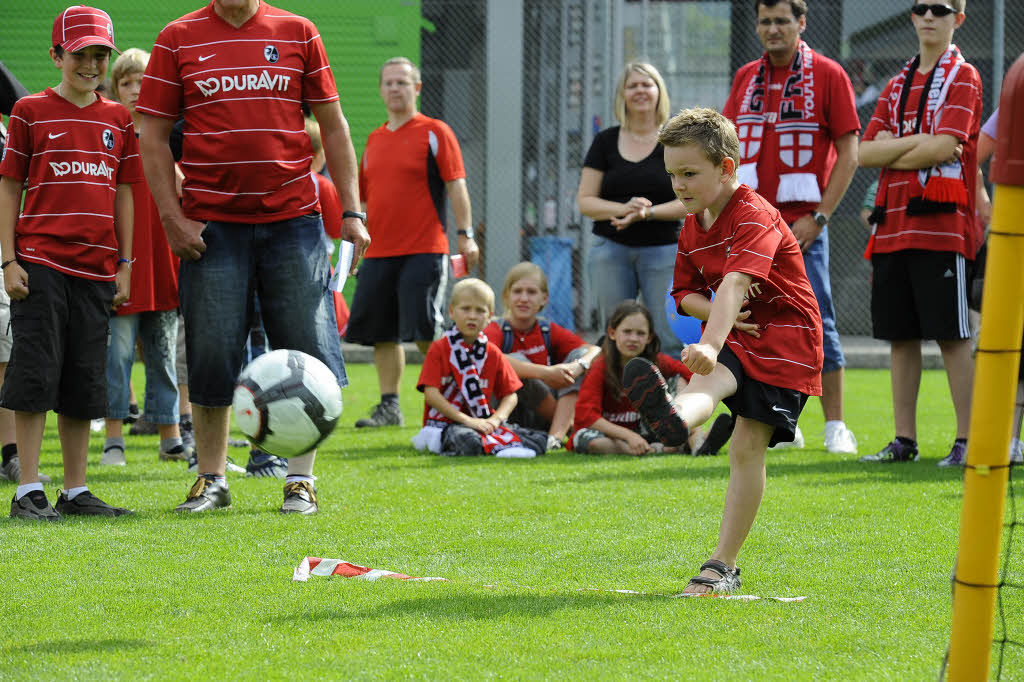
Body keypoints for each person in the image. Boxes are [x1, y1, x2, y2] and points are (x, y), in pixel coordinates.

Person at [137, 0, 370, 514]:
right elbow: (150, 137)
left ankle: (300, 482)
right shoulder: (177, 37)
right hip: (212, 227)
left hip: (294, 221)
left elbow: (334, 127)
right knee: (212, 351)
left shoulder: (299, 30)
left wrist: (352, 211)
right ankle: (212, 480)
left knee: (305, 350)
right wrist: (172, 218)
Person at [624, 108, 823, 593]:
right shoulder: (696, 220)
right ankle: (673, 419)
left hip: (785, 341)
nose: (679, 185)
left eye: (689, 174)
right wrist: (717, 326)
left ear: (726, 168)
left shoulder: (755, 215)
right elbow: (685, 293)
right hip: (738, 331)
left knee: (746, 447)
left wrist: (711, 341)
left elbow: (734, 285)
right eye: (672, 175)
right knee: (706, 386)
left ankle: (722, 566)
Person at [0, 5, 141, 520]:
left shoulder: (118, 118)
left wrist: (125, 264)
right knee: (36, 375)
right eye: (81, 54)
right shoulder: (29, 112)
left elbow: (124, 193)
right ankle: (27, 490)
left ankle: (76, 491)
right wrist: (8, 261)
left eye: (101, 54)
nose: (92, 64)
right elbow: (9, 185)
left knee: (85, 381)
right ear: (57, 54)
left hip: (97, 270)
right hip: (38, 264)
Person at [721, 0, 859, 455]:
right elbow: (726, 147)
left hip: (801, 228)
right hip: (751, 225)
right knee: (754, 322)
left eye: (783, 20)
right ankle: (780, 420)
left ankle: (835, 424)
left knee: (818, 322)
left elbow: (849, 153)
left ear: (801, 23)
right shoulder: (746, 78)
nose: (773, 29)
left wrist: (819, 217)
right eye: (765, 21)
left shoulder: (829, 73)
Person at [858, 0, 981, 467]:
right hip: (892, 226)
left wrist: (897, 147)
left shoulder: (963, 76)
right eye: (921, 7)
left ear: (958, 19)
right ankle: (903, 441)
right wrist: (918, 147)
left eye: (941, 8)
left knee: (952, 337)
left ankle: (968, 440)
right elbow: (865, 153)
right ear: (911, 16)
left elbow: (947, 146)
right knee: (900, 337)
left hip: (941, 227)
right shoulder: (894, 84)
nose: (929, 15)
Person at [346, 57, 478, 428]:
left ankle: (457, 397)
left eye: (402, 83)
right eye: (388, 83)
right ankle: (390, 407)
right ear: (380, 90)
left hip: (425, 249)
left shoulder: (435, 131)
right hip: (380, 252)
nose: (394, 89)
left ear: (417, 88)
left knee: (425, 330)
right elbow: (365, 199)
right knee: (382, 334)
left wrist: (465, 236)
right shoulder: (374, 139)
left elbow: (456, 185)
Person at [99, 47, 188, 467]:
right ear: (116, 89)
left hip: (163, 265)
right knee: (116, 355)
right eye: (127, 83)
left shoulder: (170, 135)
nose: (136, 91)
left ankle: (170, 434)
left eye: (143, 82)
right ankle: (113, 438)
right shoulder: (111, 135)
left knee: (163, 355)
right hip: (123, 264)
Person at [577, 62, 688, 358]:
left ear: (658, 91)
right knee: (616, 334)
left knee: (669, 335)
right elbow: (585, 201)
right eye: (632, 85)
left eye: (646, 84)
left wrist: (648, 213)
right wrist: (624, 208)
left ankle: (671, 401)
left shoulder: (675, 140)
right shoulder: (605, 141)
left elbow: (690, 201)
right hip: (610, 250)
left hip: (664, 250)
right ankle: (618, 401)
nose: (640, 91)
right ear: (622, 95)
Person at [569, 301, 732, 456]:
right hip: (612, 434)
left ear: (649, 338)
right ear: (612, 333)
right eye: (627, 332)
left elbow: (693, 375)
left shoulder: (657, 361)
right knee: (589, 441)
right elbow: (587, 416)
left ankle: (697, 443)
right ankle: (671, 447)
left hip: (649, 430)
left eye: (640, 333)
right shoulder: (600, 366)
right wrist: (628, 436)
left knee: (678, 378)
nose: (633, 338)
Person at [413, 278, 547, 458]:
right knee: (467, 441)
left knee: (540, 440)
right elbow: (431, 395)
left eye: (480, 310)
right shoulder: (440, 348)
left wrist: (495, 420)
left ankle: (492, 444)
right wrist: (468, 421)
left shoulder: (492, 352)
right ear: (452, 311)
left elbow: (511, 395)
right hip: (446, 424)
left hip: (484, 422)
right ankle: (492, 446)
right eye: (466, 309)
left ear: (490, 316)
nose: (472, 316)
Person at [482, 262, 600, 449]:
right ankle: (572, 428)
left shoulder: (547, 329)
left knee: (579, 358)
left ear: (544, 298)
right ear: (506, 296)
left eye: (531, 292)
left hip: (545, 418)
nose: (524, 298)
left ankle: (555, 438)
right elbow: (487, 355)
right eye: (517, 291)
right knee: (517, 362)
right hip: (509, 412)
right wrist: (545, 372)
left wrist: (579, 366)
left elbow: (595, 350)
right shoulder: (496, 328)